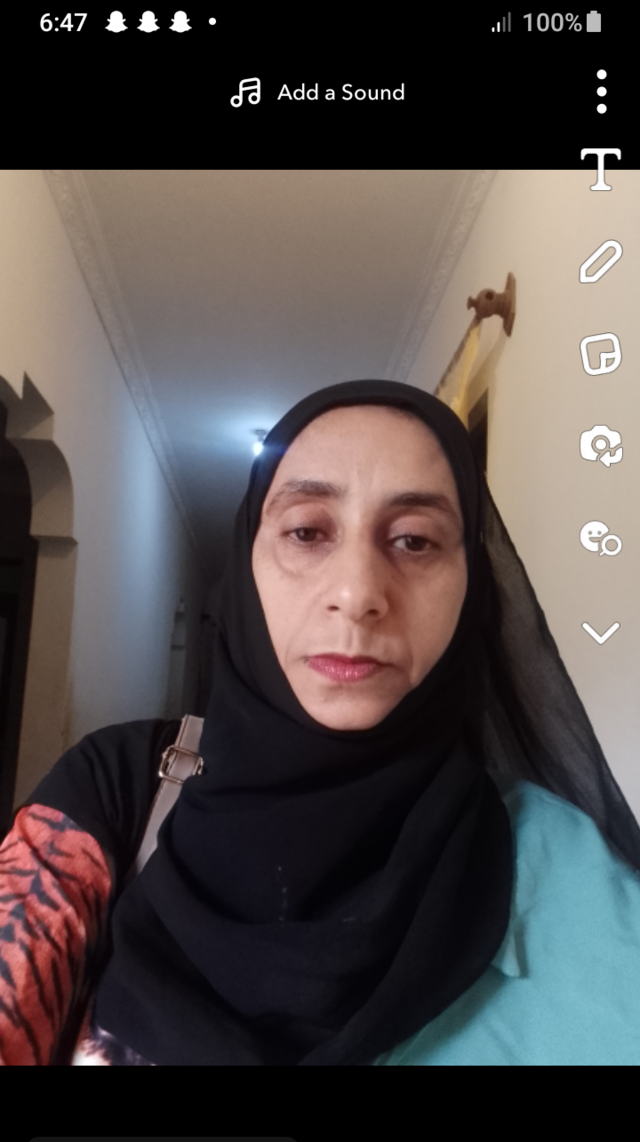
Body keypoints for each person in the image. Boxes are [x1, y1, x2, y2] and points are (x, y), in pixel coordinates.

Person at [1, 379, 640, 1066]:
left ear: (472, 586)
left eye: (415, 541)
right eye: (306, 532)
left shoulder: (571, 875)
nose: (357, 593)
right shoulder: (116, 788)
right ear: (245, 564)